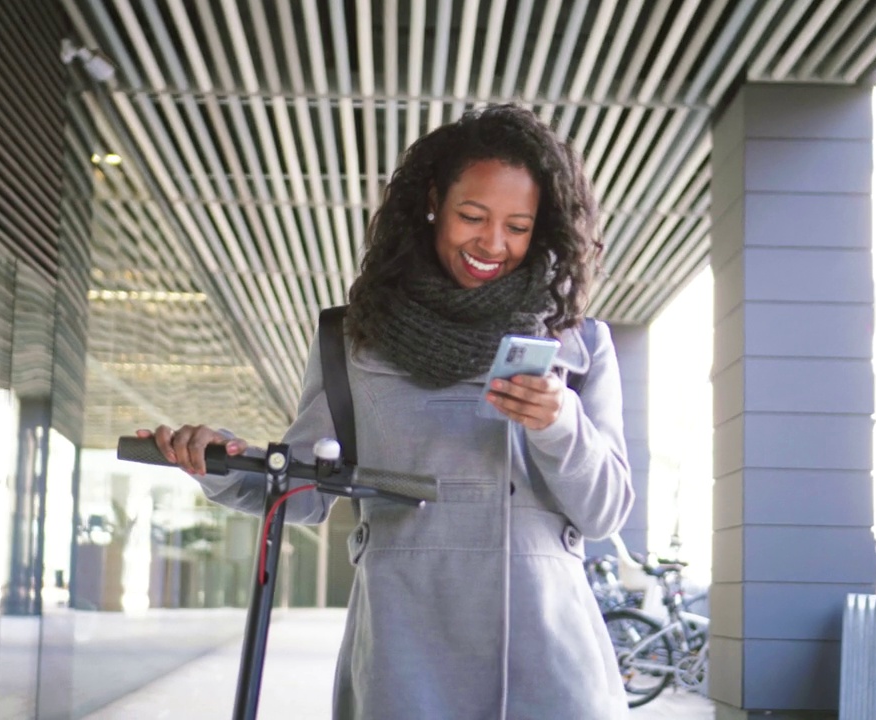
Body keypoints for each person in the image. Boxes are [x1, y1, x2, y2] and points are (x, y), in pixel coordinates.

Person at [138, 104, 635, 719]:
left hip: (548, 663)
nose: (492, 243)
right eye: (472, 216)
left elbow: (607, 508)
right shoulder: (355, 340)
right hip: (406, 658)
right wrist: (215, 459)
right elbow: (305, 486)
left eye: (518, 225)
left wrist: (558, 424)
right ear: (433, 202)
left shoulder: (579, 345)